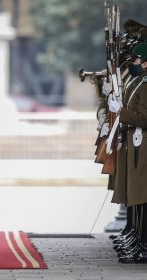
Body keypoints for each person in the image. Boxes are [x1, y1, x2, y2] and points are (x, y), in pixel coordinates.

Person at [108, 42, 147, 263]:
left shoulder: (145, 85)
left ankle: (144, 243)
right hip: (136, 145)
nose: (132, 63)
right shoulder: (140, 82)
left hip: (143, 148)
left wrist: (121, 112)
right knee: (137, 196)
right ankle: (139, 239)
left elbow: (143, 118)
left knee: (142, 196)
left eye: (135, 60)